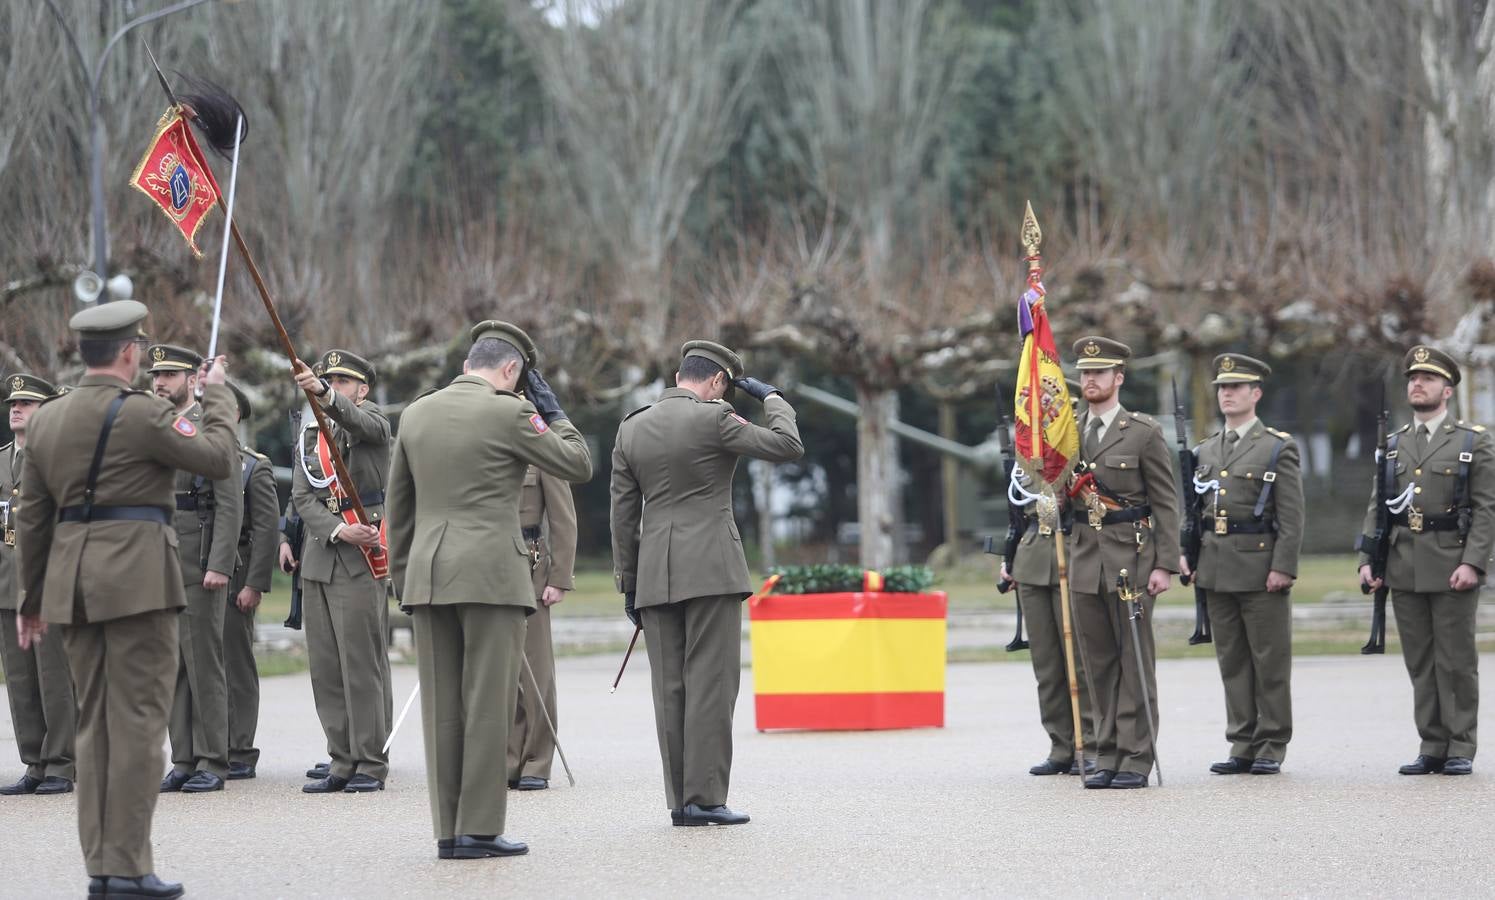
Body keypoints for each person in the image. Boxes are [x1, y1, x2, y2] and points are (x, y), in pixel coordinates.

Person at [17, 300, 236, 899]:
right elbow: (218, 458)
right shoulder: (143, 413)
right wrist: (216, 395)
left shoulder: (47, 420)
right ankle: (129, 867)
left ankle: (102, 865)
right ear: (129, 353)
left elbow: (32, 518)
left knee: (94, 726)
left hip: (71, 584)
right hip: (138, 582)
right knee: (138, 723)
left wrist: (31, 599)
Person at [387, 321, 592, 859]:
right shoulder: (513, 413)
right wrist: (552, 412)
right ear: (511, 370)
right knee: (487, 702)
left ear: (465, 367)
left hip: (428, 575)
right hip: (492, 573)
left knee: (441, 708)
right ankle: (478, 829)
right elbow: (577, 462)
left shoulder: (416, 413)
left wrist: (403, 579)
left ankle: (448, 830)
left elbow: (399, 507)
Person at [610, 341, 803, 826]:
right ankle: (706, 798)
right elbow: (787, 445)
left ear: (680, 376)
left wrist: (629, 583)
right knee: (711, 686)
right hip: (711, 569)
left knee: (669, 689)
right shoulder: (716, 418)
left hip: (655, 574)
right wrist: (772, 397)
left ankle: (680, 801)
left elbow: (623, 515)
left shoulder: (632, 427)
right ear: (718, 381)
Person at [1359, 345, 1495, 777]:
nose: (1418, 384)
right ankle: (1432, 744)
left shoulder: (1473, 441)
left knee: (1455, 660)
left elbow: (1487, 508)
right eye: (1413, 378)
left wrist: (1474, 562)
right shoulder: (1394, 443)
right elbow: (1378, 505)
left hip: (1452, 562)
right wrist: (1368, 558)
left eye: (1428, 378)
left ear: (1447, 390)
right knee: (1420, 661)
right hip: (1404, 564)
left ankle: (1460, 745)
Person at [1180, 354, 1304, 775]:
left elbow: (1292, 516)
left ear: (1256, 394)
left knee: (1269, 661)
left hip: (1260, 566)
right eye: (1222, 387)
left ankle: (1271, 743)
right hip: (1215, 567)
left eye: (1236, 387)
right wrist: (1188, 554)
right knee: (1232, 661)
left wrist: (1283, 566)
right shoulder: (1206, 449)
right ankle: (1242, 742)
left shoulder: (1277, 447)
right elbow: (1194, 511)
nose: (1227, 393)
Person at [1066, 336, 1180, 790]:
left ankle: (1135, 756)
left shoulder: (1142, 432)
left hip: (1131, 558)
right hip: (1084, 558)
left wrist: (1165, 564)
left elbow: (1166, 502)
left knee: (1133, 662)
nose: (1090, 379)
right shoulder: (1068, 432)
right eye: (1084, 372)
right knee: (1097, 664)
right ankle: (1107, 753)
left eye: (1099, 372)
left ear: (1118, 378)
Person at [290, 349, 394, 793]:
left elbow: (361, 424)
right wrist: (335, 530)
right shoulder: (310, 431)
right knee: (326, 667)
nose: (333, 385)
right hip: (323, 553)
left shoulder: (373, 420)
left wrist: (326, 395)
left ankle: (370, 761)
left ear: (362, 389)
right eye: (328, 379)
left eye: (342, 381)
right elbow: (301, 495)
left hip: (361, 557)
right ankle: (341, 758)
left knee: (360, 664)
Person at [150, 345, 243, 795]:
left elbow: (230, 502)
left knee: (204, 663)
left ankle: (212, 759)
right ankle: (184, 758)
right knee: (171, 666)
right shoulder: (152, 426)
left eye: (169, 374)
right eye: (155, 374)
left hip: (199, 554)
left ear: (192, 380)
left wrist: (221, 562)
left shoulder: (211, 427)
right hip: (159, 555)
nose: (159, 382)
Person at [0, 373, 76, 796]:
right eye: (13, 403)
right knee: (20, 678)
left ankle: (61, 763)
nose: (16, 408)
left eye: (26, 403)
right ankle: (35, 761)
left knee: (53, 676)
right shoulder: (1, 459)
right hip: (6, 582)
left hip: (47, 581)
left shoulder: (59, 461)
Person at [1004, 490, 1093, 777]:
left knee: (1079, 662)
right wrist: (1009, 557)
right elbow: (1017, 513)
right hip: (1031, 557)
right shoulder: (1022, 467)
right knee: (1047, 666)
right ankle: (1061, 746)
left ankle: (1090, 744)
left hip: (1072, 552)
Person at [506, 462, 578, 792]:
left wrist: (559, 577)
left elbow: (563, 517)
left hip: (530, 566)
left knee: (535, 672)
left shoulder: (540, 447)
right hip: (486, 567)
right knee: (498, 673)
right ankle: (508, 758)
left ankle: (536, 759)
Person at [223, 382, 281, 780]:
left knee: (235, 662)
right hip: (193, 570)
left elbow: (265, 530)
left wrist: (255, 584)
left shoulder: (251, 467)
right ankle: (206, 745)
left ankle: (240, 748)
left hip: (237, 572)